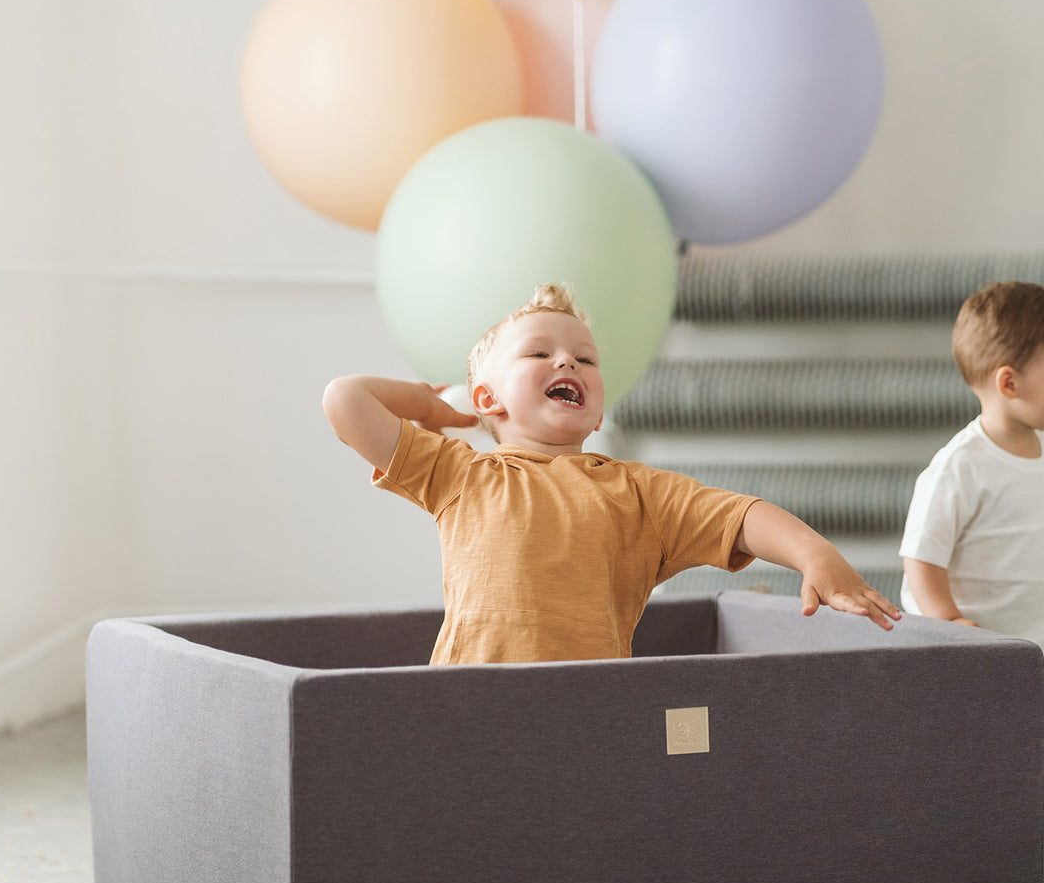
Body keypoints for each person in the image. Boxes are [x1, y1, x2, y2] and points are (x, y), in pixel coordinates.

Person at [323, 281, 899, 665]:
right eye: (538, 353)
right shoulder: (462, 474)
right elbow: (346, 401)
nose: (567, 360)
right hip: (465, 708)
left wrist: (816, 556)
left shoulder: (640, 493)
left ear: (597, 412)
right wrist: (433, 408)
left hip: (592, 709)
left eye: (586, 358)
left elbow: (741, 516)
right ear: (487, 398)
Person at [898, 280, 1044, 883]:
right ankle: (959, 866)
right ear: (1009, 383)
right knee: (974, 768)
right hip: (971, 660)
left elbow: (1037, 541)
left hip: (1039, 651)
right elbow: (921, 557)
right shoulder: (959, 467)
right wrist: (946, 624)